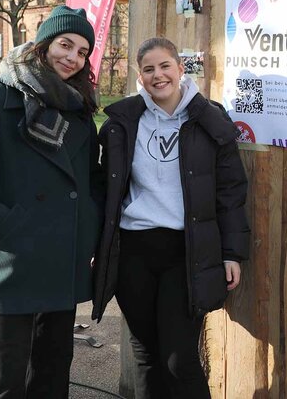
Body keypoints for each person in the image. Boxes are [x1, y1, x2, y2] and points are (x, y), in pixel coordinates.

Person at [0, 5, 103, 399]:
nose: (72, 57)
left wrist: (88, 232)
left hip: (63, 261)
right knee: (5, 378)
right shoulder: (2, 99)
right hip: (15, 258)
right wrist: (1, 225)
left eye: (82, 51)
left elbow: (91, 182)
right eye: (66, 44)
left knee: (51, 374)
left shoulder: (81, 111)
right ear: (45, 44)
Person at [92, 37, 250, 398]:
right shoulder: (122, 123)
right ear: (139, 76)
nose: (158, 75)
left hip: (187, 253)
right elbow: (105, 191)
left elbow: (230, 191)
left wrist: (232, 253)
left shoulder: (209, 120)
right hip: (134, 252)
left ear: (181, 69)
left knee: (179, 360)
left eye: (165, 66)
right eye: (148, 69)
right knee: (145, 355)